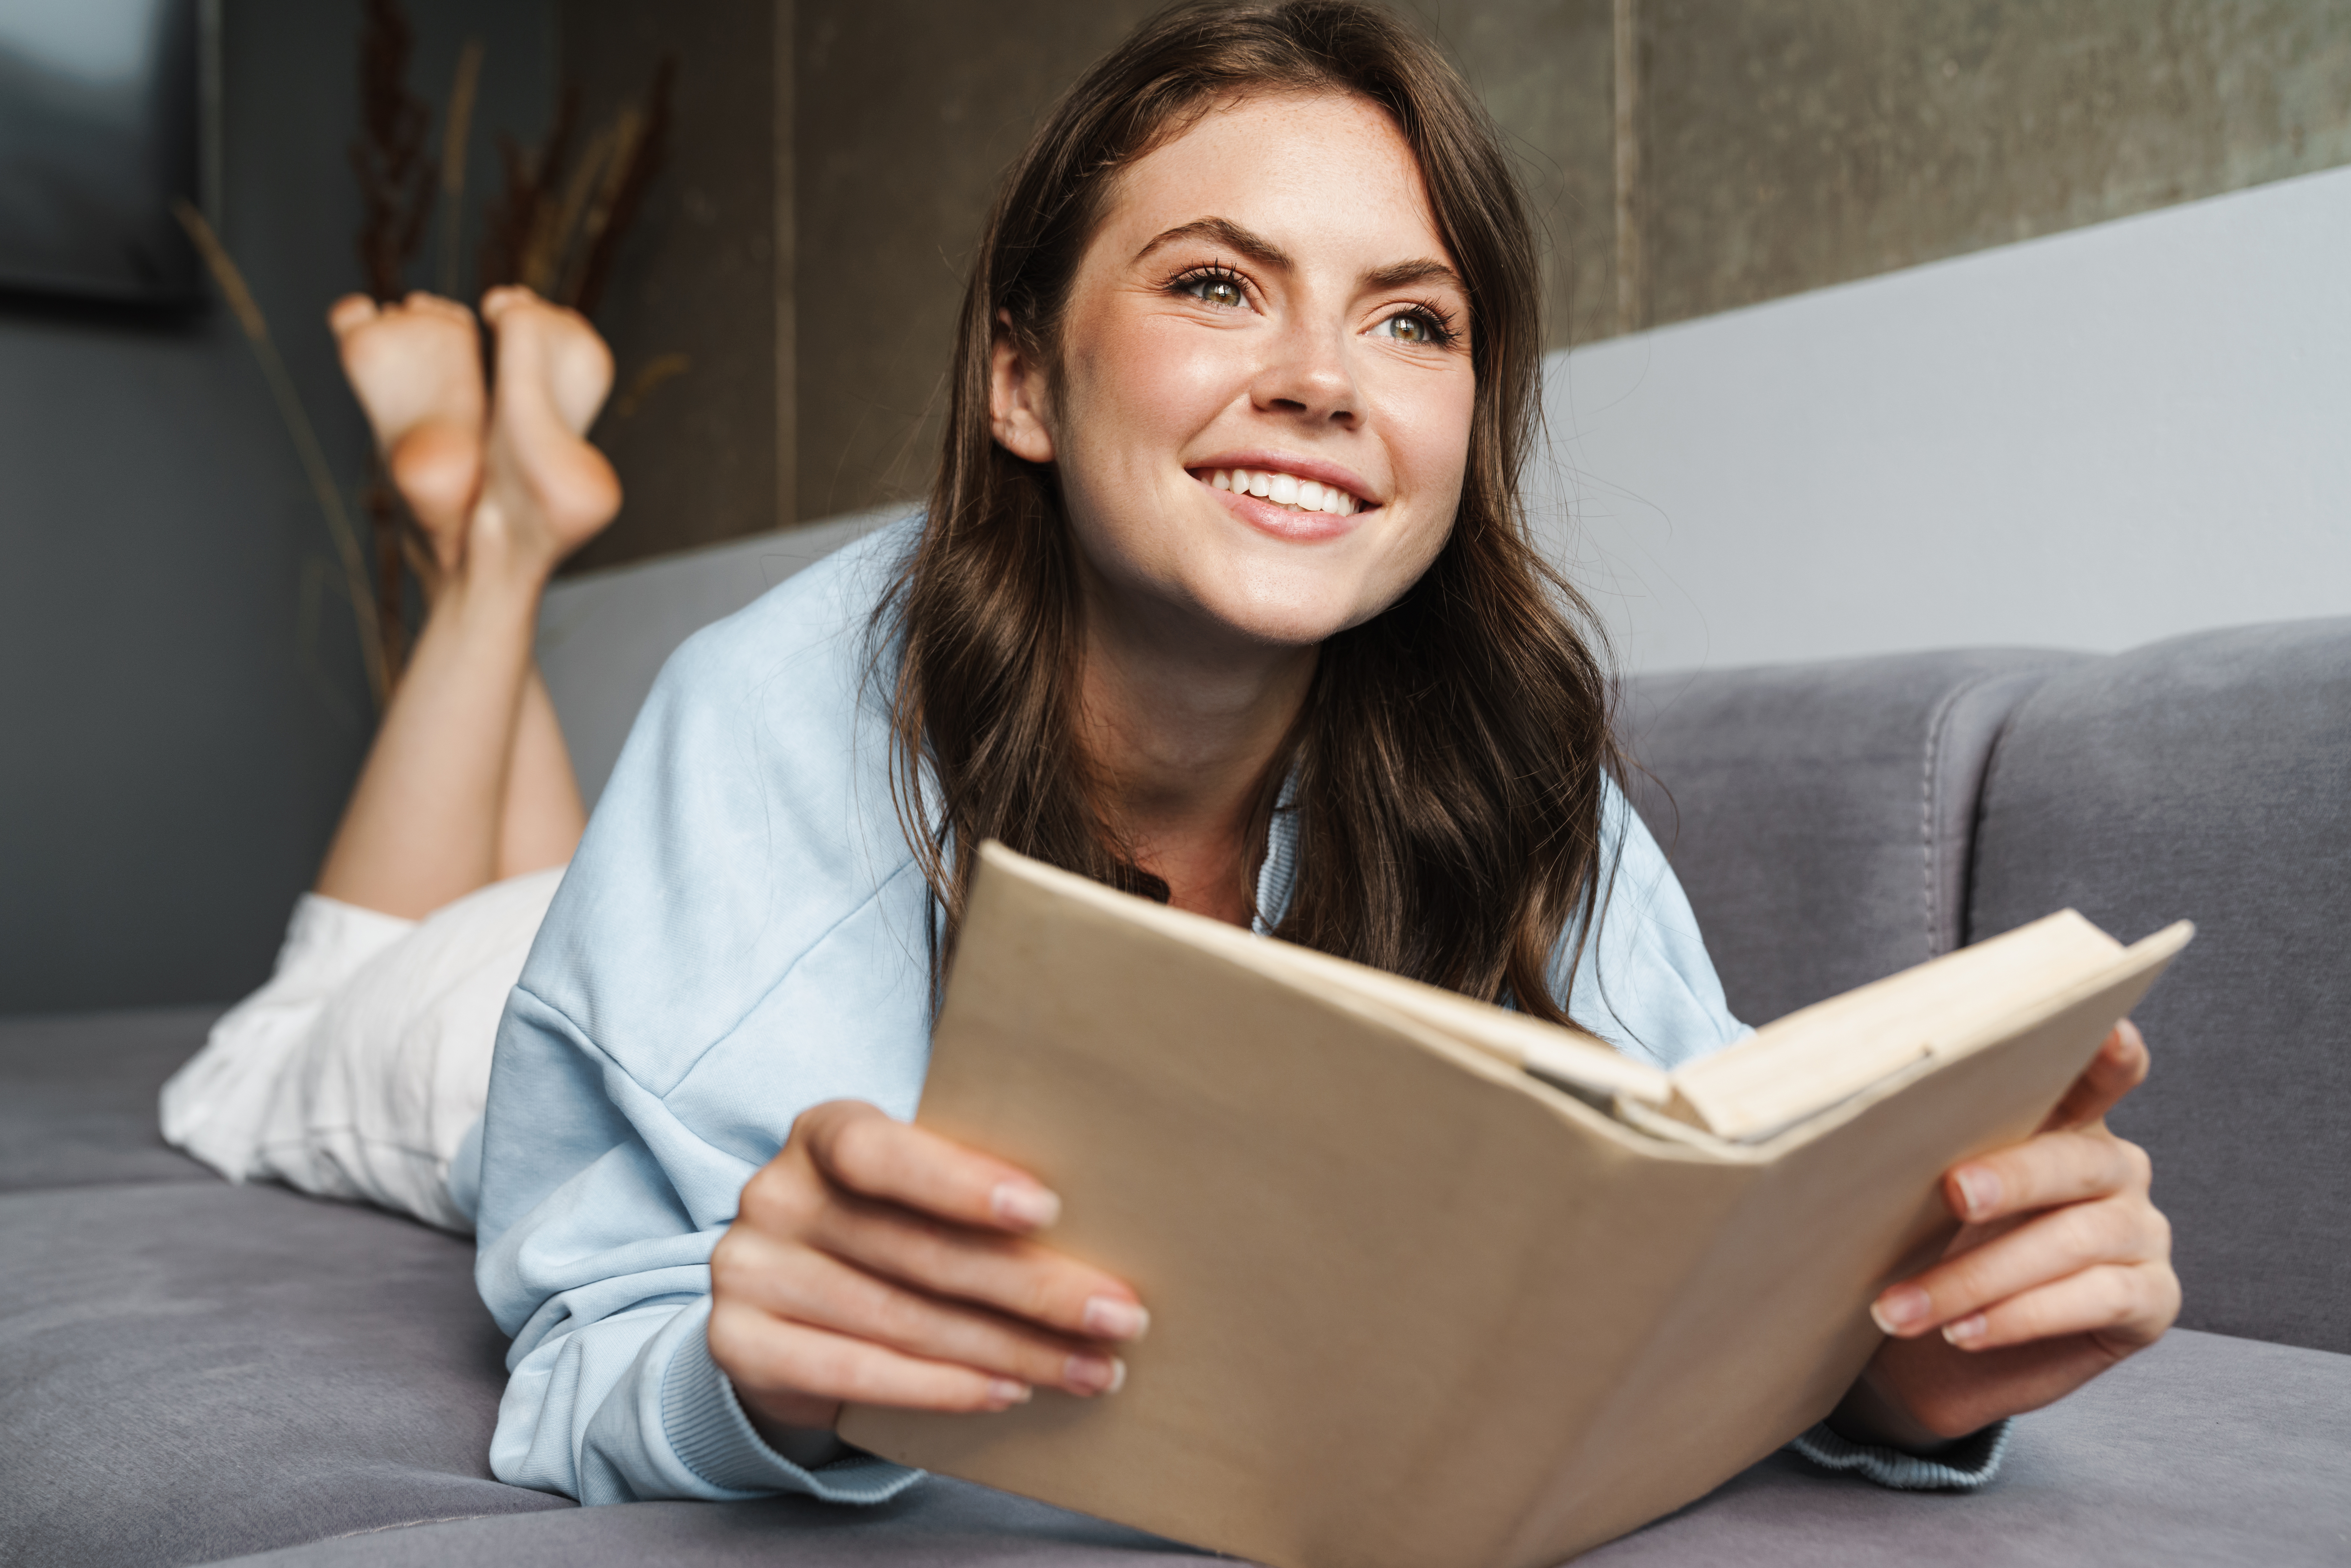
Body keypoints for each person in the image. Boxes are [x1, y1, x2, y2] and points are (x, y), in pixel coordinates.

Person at [175, 0, 2181, 1523]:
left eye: (1411, 320)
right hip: (501, 1010)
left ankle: (491, 531)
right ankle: (490, 550)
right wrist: (751, 1373)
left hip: (700, 909)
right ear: (1023, 376)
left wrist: (1908, 1354)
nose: (1319, 377)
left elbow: (1690, 1195)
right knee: (323, 996)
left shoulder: (1506, 746)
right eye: (1217, 284)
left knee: (506, 876)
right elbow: (588, 1338)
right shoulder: (763, 714)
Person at [159, 283, 622, 1233]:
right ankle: (487, 539)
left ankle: (481, 540)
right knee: (265, 1063)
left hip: (598, 963)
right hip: (590, 1014)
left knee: (250, 1070)